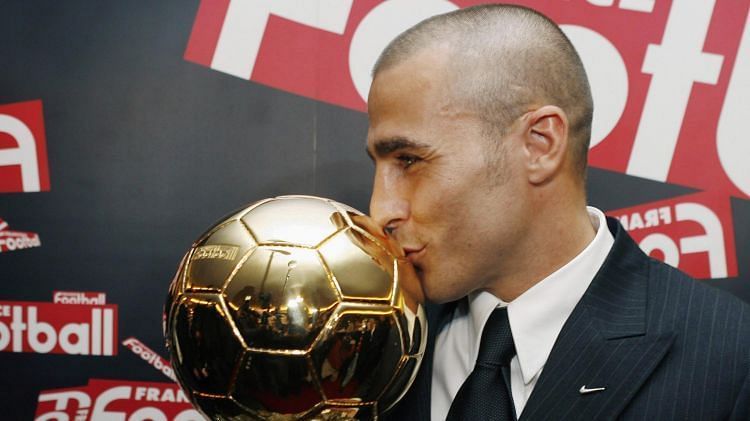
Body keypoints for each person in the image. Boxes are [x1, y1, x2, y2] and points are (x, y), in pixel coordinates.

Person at [364, 4, 750, 420]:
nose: (379, 211)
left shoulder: (731, 357)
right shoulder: (363, 345)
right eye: (378, 165)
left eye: (408, 161)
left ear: (539, 144)